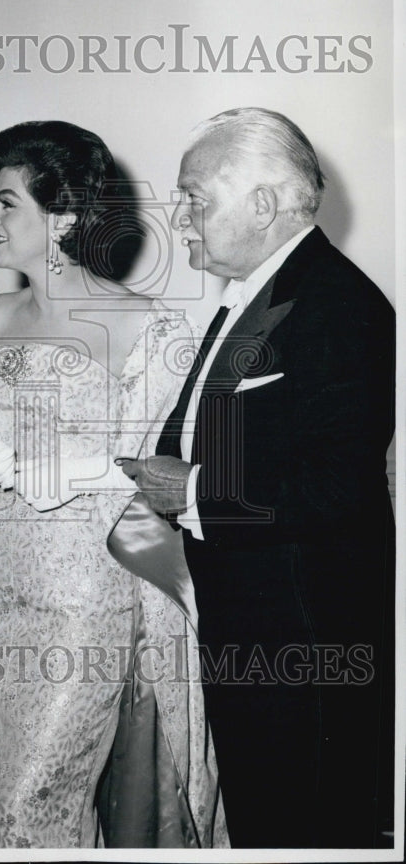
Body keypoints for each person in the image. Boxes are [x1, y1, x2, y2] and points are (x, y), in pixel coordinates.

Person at [0, 121, 228, 849]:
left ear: (61, 217)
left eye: (6, 202)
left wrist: (86, 468)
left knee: (37, 798)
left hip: (89, 598)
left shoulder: (151, 331)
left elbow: (168, 477)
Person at [122, 108, 395, 848]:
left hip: (299, 640)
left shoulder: (338, 304)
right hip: (252, 625)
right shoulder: (259, 292)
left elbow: (338, 487)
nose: (179, 218)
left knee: (302, 827)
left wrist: (192, 493)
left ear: (264, 204)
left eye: (193, 197)